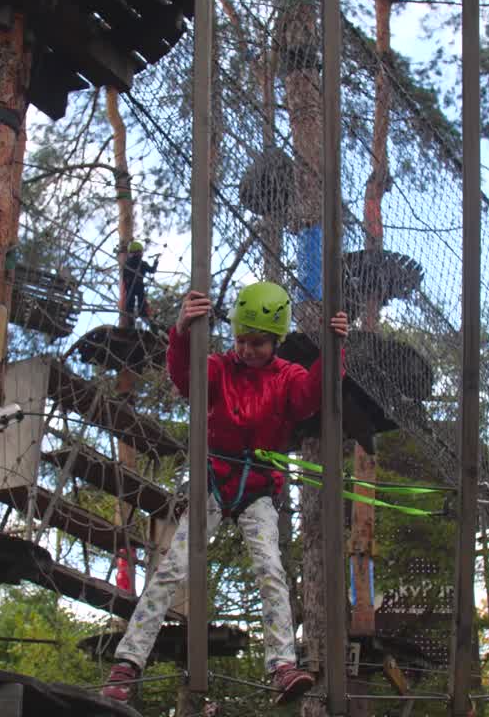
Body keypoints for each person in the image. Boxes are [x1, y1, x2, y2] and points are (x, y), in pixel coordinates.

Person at [101, 282, 349, 705]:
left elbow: (312, 398)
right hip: (214, 481)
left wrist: (334, 346)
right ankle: (127, 662)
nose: (248, 349)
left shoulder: (287, 377)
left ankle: (283, 666)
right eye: (242, 340)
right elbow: (185, 379)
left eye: (258, 342)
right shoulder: (218, 367)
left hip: (258, 490)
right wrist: (181, 330)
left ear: (276, 341)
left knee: (271, 570)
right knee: (172, 568)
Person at [120, 240, 158, 327]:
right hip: (138, 284)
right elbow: (152, 270)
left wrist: (126, 286)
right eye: (140, 252)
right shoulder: (142, 263)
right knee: (140, 303)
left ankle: (131, 321)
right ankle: (142, 316)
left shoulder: (127, 263)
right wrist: (156, 262)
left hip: (131, 285)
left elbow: (124, 277)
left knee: (130, 304)